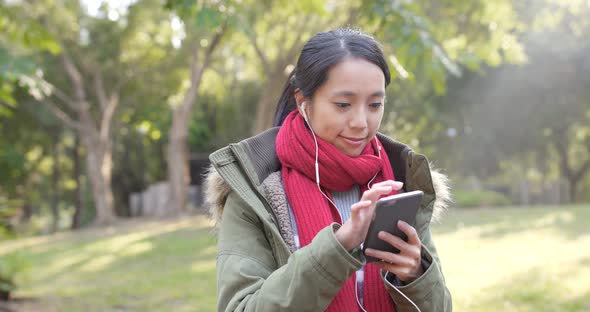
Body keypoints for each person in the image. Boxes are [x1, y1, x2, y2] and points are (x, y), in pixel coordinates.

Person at [205, 28, 452, 312]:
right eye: (343, 104)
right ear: (303, 102)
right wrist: (339, 245)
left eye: (375, 104)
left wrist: (415, 276)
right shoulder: (254, 191)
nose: (361, 121)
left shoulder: (400, 181)